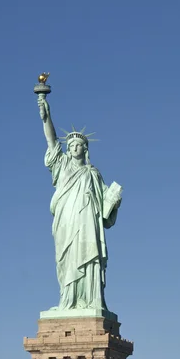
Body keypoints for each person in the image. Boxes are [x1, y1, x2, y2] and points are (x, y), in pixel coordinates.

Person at [37, 96, 122, 313]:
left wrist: (114, 200)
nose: (74, 148)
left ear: (85, 149)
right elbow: (52, 141)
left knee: (88, 256)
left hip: (87, 224)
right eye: (71, 145)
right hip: (66, 221)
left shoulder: (93, 174)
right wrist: (46, 116)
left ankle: (91, 301)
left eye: (78, 145)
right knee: (67, 259)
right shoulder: (62, 164)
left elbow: (105, 204)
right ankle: (68, 301)